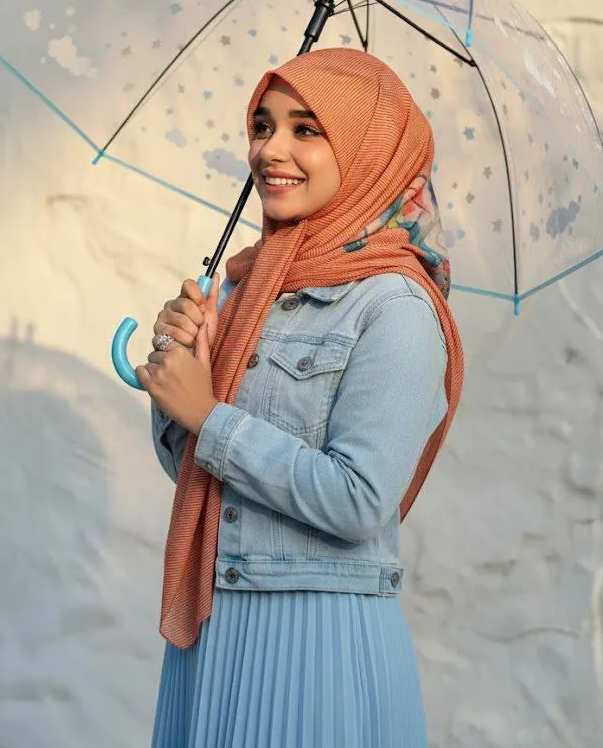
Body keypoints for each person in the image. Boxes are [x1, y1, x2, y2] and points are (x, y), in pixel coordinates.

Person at [136, 47, 464, 747]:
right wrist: (178, 378)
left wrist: (209, 416)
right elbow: (194, 475)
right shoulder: (248, 288)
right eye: (262, 126)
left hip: (316, 644)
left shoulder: (397, 308)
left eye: (306, 129)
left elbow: (359, 499)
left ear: (370, 153)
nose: (269, 150)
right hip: (216, 633)